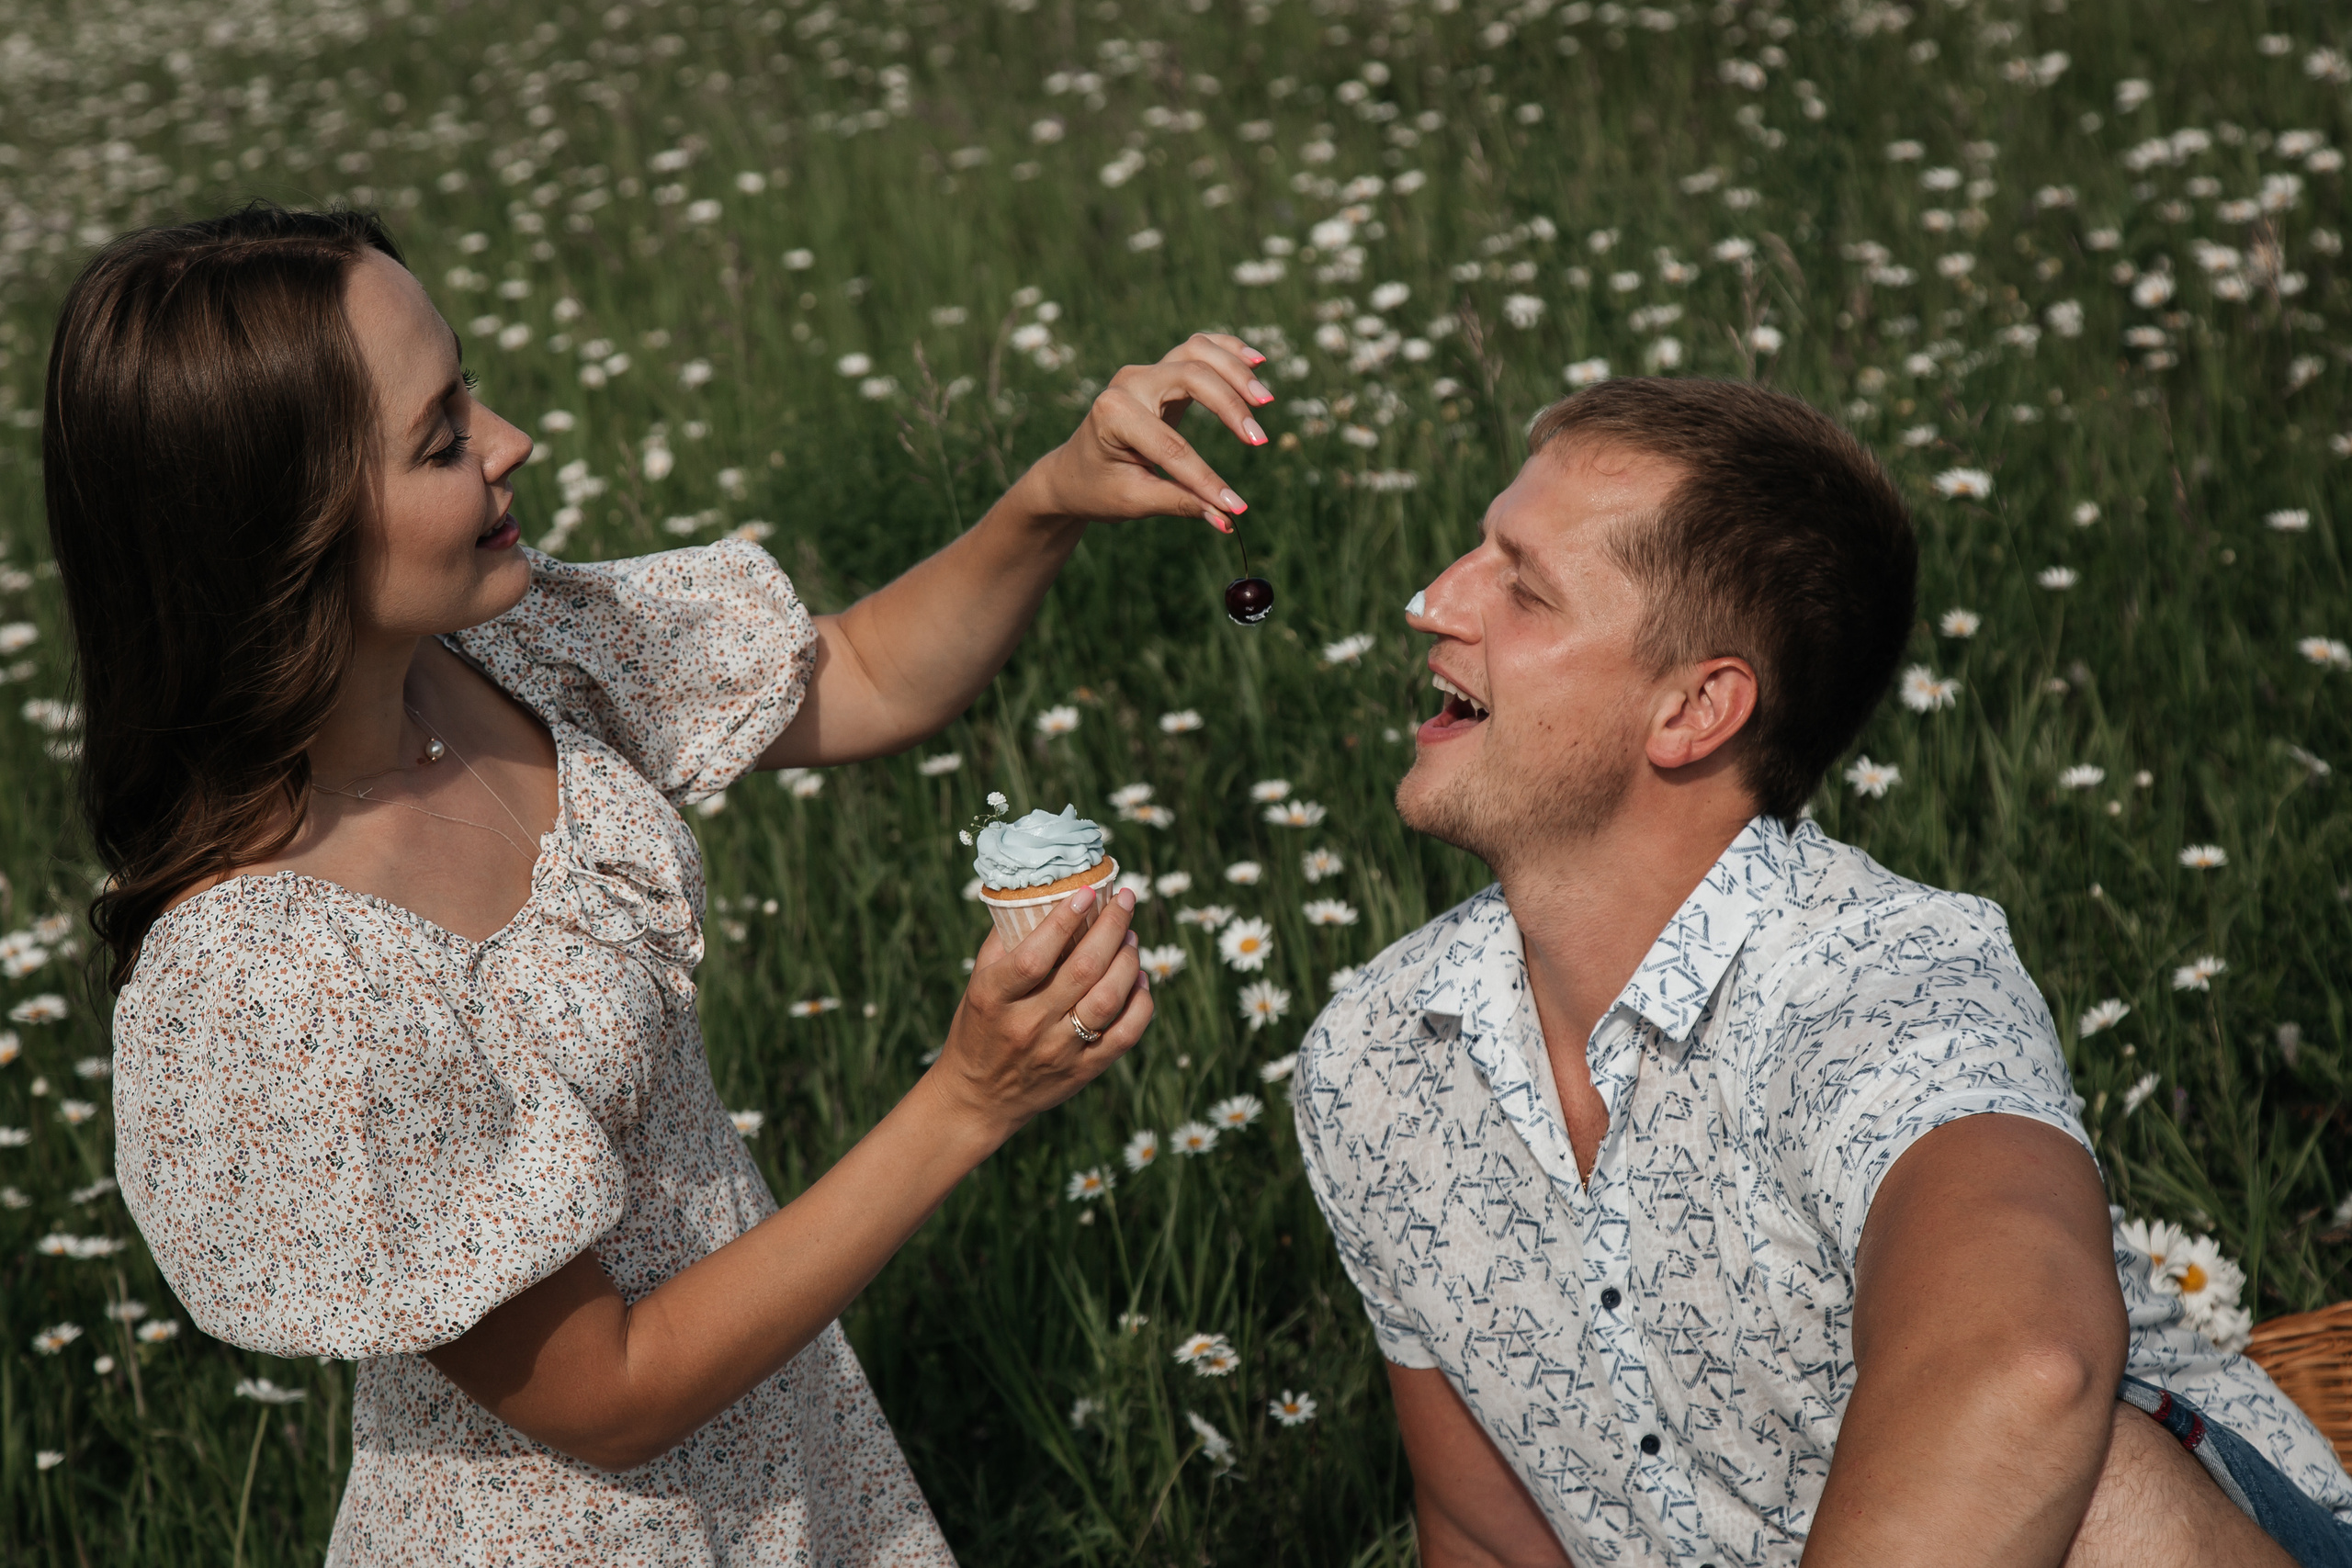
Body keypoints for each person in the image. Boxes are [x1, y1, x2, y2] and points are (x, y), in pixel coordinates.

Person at [49, 202, 1279, 1562]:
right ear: (280, 534)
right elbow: (613, 1393)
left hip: (779, 1453)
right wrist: (969, 1100)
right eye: (442, 435)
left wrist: (1054, 491)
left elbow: (857, 672)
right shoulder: (278, 979)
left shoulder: (501, 665)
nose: (512, 440)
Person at [1293, 377, 2352, 1568]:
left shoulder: (1884, 983)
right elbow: (1488, 1538)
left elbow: (2028, 1364)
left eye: (1522, 586)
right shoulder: (1375, 1056)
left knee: (2103, 1495)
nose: (1431, 600)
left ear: (1697, 708)